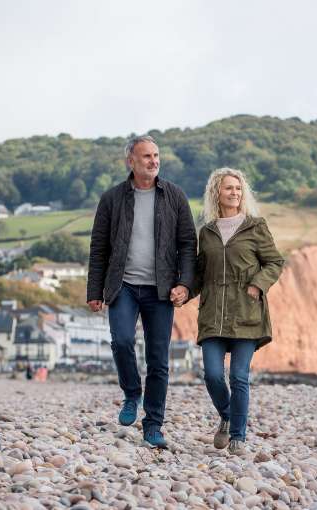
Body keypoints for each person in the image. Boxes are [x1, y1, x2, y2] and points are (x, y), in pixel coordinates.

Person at [87, 135, 197, 449]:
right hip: (123, 285)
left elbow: (189, 245)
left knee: (159, 360)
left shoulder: (174, 196)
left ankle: (153, 425)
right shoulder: (112, 199)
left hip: (161, 289)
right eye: (146, 156)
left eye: (156, 155)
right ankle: (132, 394)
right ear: (131, 161)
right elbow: (99, 249)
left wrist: (185, 284)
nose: (153, 161)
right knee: (121, 340)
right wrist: (95, 289)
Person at [192, 167, 284, 455]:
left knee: (239, 377)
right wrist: (184, 290)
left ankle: (238, 437)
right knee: (212, 375)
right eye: (229, 187)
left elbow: (275, 262)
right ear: (216, 192)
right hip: (212, 316)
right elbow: (199, 274)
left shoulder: (256, 226)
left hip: (247, 312)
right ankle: (228, 415)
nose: (235, 192)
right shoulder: (206, 232)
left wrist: (258, 284)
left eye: (238, 188)